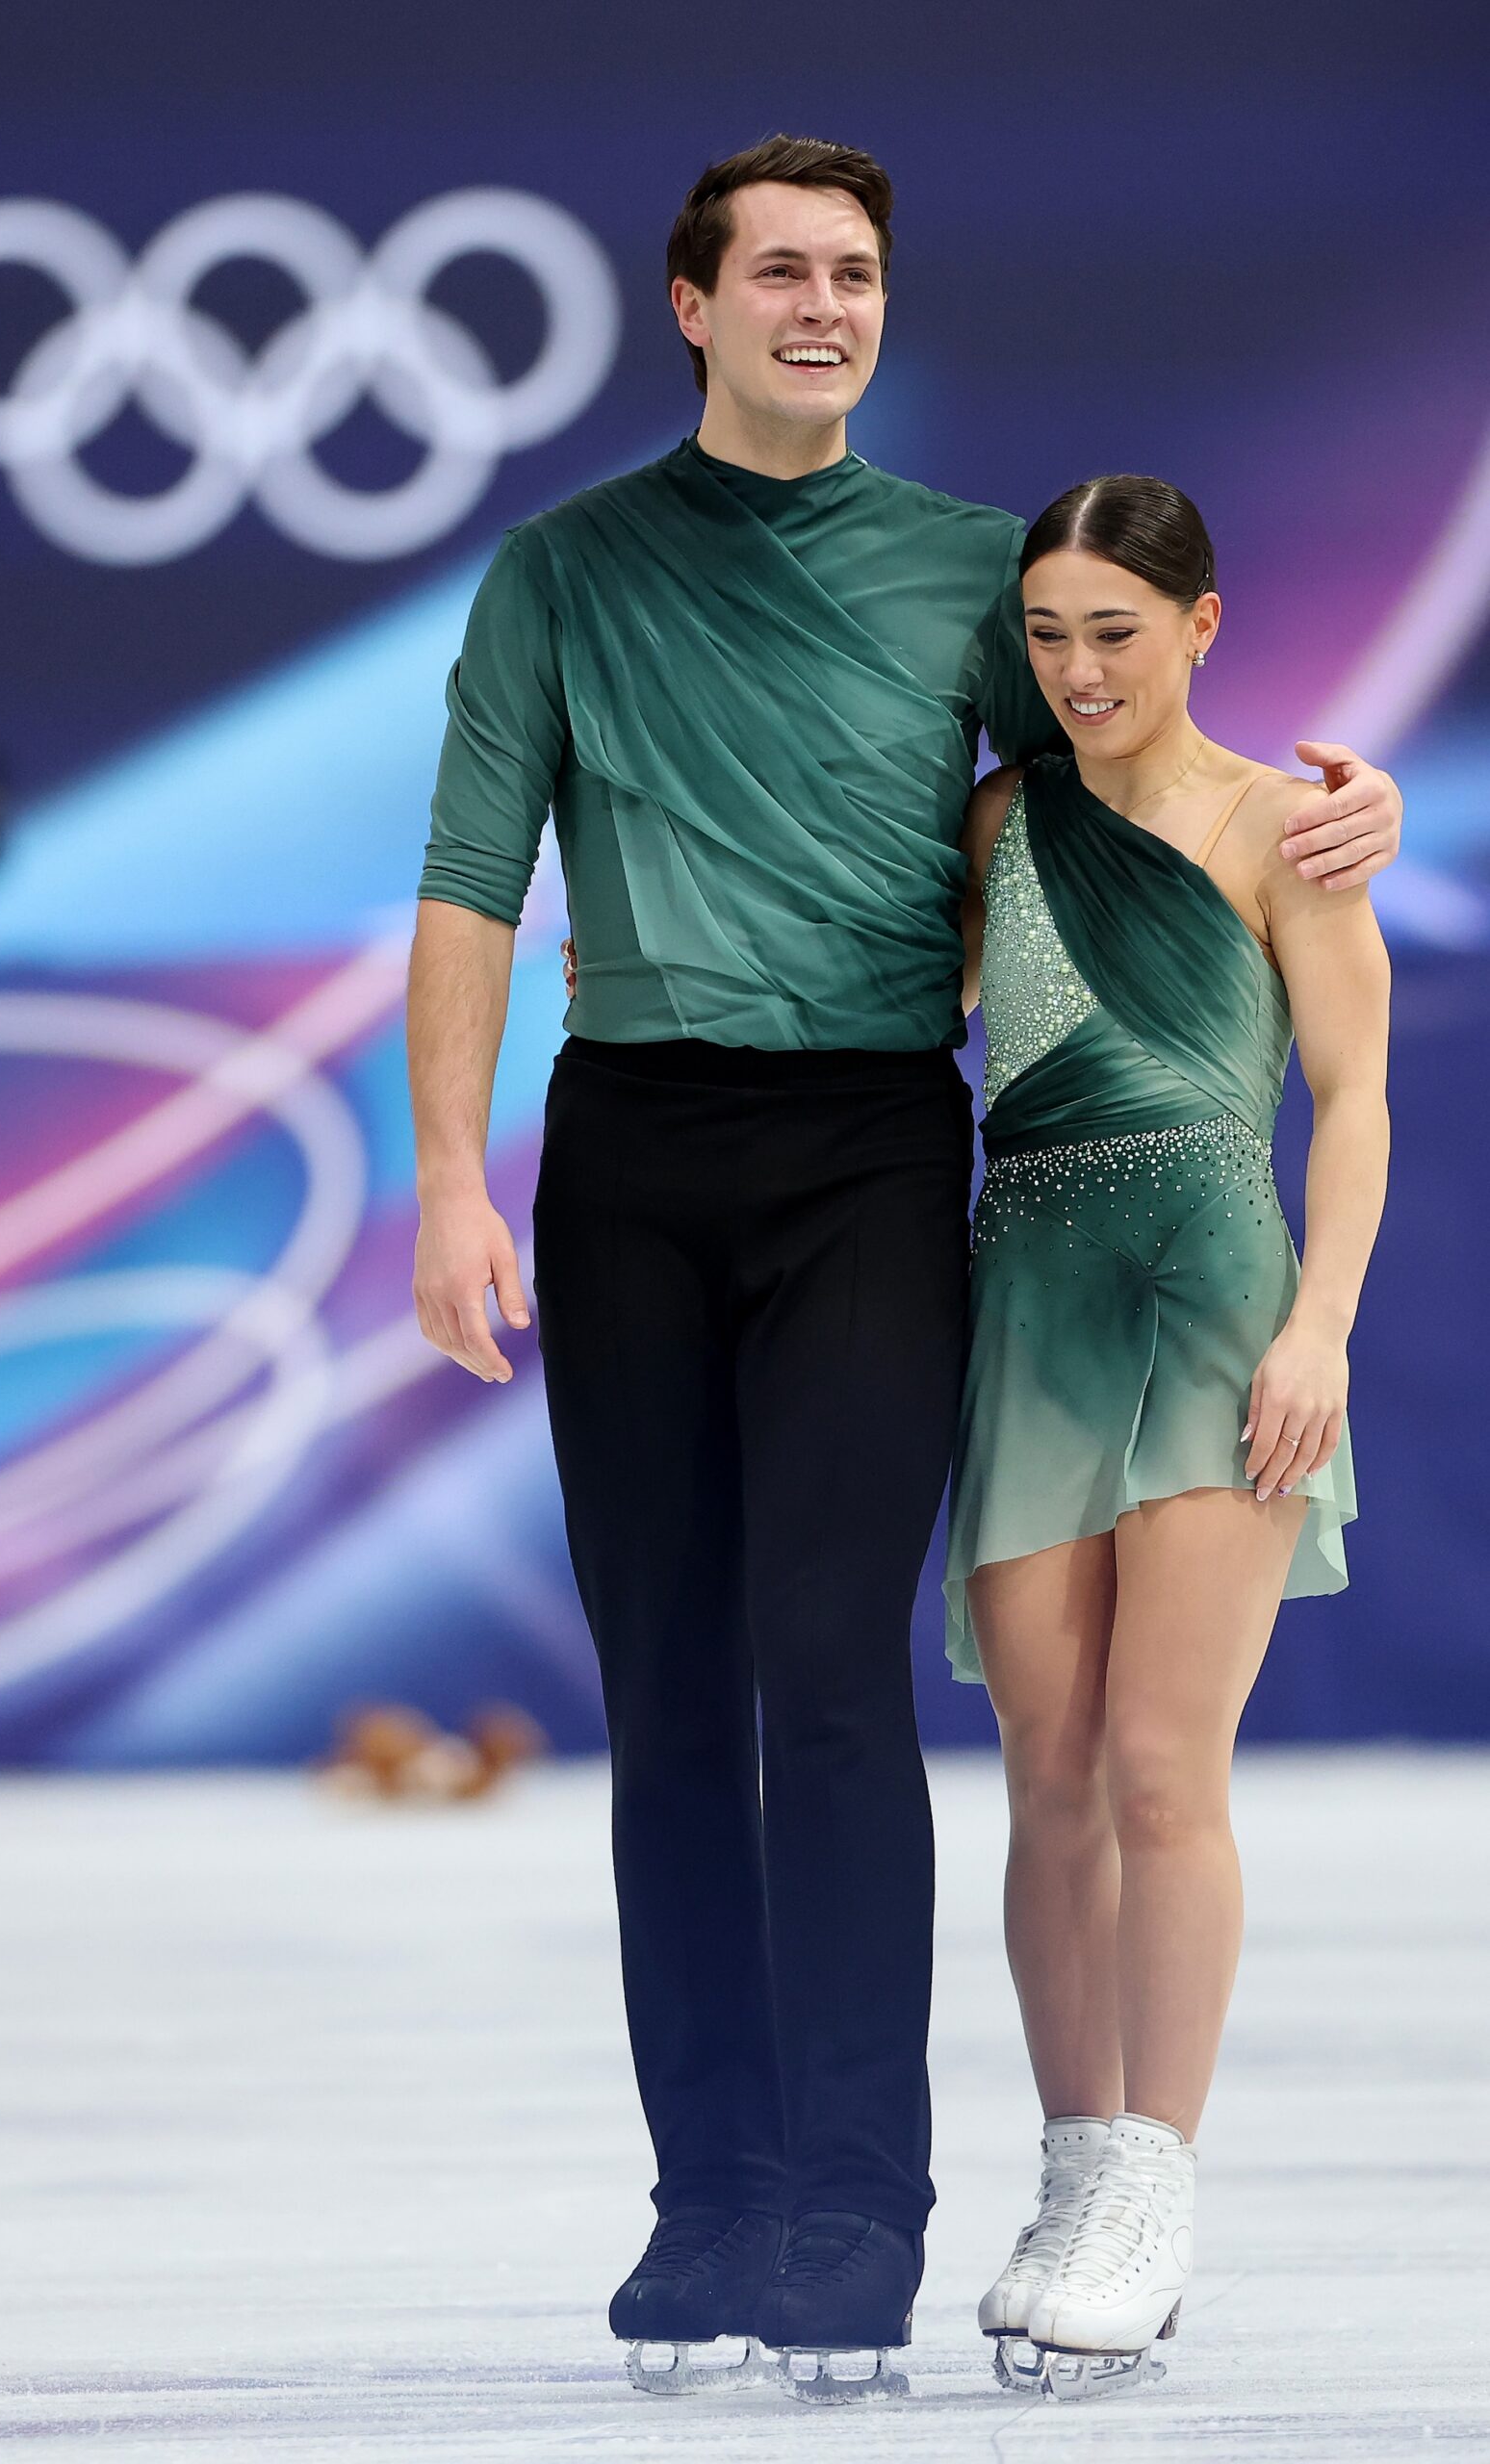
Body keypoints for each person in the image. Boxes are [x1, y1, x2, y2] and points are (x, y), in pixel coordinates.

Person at [406, 137, 1402, 2403]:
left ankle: (861, 2196)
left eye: (853, 272)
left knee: (833, 1672)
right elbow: (472, 878)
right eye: (777, 272)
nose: (821, 305)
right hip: (628, 1150)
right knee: (667, 1696)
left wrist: (1343, 805)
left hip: (867, 1151)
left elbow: (1141, 741)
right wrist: (452, 1174)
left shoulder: (974, 571)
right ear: (689, 303)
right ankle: (710, 2196)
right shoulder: (557, 573)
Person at [946, 475, 1389, 2400]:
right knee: (1044, 1764)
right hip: (1026, 1296)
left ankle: (1152, 2182)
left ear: (1200, 624)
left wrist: (1318, 1326)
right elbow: (894, 998)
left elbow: (1351, 1089)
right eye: (1042, 634)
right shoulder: (996, 819)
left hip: (1213, 1305)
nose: (1074, 669)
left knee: (1152, 1767)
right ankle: (1067, 2169)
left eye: (1110, 631)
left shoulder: (1287, 822)